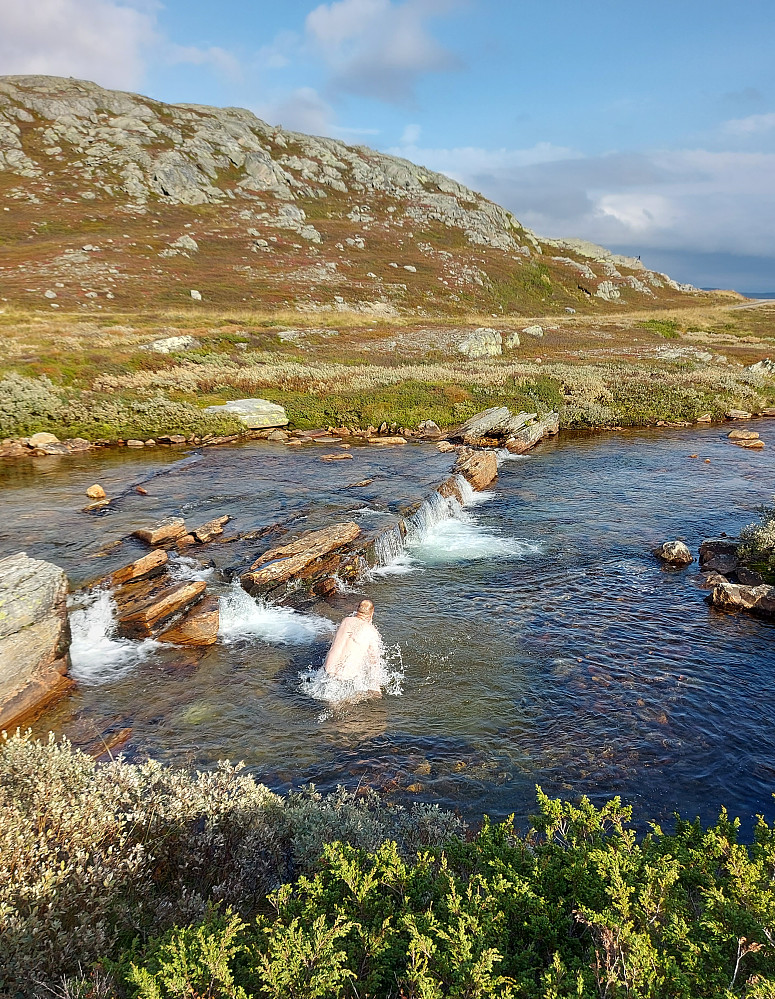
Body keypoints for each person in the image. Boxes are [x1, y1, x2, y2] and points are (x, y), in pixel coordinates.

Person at [324, 599, 382, 692]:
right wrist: (376, 687)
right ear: (372, 613)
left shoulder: (345, 621)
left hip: (327, 670)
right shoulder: (371, 630)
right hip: (347, 677)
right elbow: (374, 661)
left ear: (357, 610)